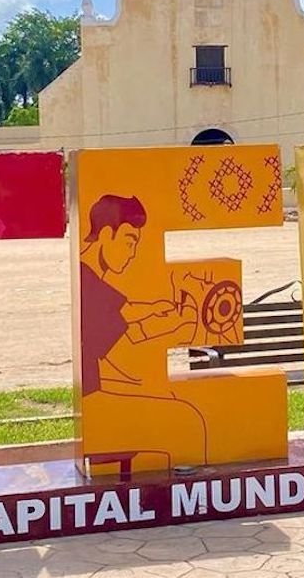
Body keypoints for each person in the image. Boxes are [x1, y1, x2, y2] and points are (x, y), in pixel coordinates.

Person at [77, 194, 206, 469]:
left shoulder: (91, 278)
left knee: (170, 402)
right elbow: (128, 317)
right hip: (93, 401)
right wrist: (175, 319)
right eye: (129, 241)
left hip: (98, 395)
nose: (132, 252)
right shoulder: (86, 277)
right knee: (188, 419)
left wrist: (168, 316)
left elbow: (129, 322)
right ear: (107, 234)